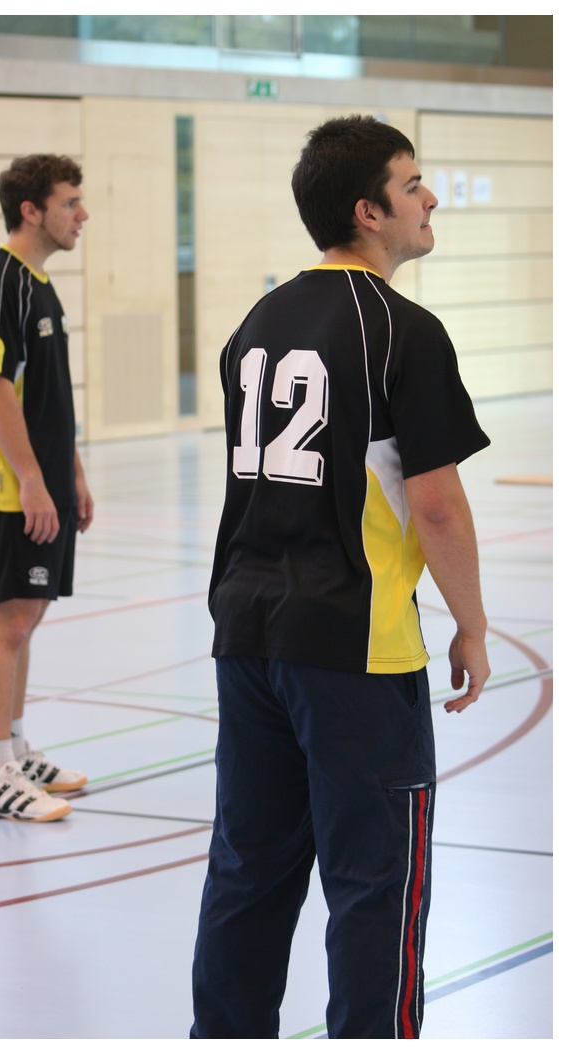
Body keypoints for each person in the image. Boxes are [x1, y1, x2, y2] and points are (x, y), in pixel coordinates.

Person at [190, 115, 491, 1039]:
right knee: (374, 883)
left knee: (248, 868)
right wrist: (472, 623)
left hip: (247, 634)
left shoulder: (256, 321)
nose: (429, 198)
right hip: (354, 646)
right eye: (411, 184)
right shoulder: (402, 329)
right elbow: (435, 506)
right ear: (367, 211)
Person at [0, 155, 94, 823]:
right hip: (7, 487)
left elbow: (46, 397)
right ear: (31, 210)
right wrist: (33, 481)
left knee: (27, 617)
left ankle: (13, 749)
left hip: (43, 482)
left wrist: (72, 473)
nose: (82, 214)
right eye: (69, 202)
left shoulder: (39, 285)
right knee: (7, 620)